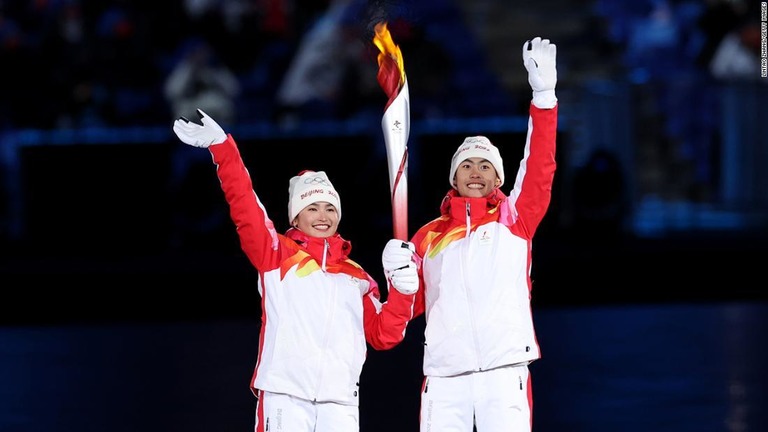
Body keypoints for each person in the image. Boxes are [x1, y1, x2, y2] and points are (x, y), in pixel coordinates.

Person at [172, 109, 420, 432]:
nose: (322, 215)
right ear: (295, 218)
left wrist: (403, 292)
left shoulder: (357, 277)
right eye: (312, 207)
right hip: (285, 398)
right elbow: (245, 205)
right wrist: (224, 149)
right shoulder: (276, 255)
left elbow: (383, 335)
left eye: (330, 207)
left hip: (340, 404)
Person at [381, 36, 559, 431]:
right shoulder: (427, 237)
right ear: (454, 177)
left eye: (484, 166)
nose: (475, 172)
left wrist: (544, 96)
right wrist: (399, 281)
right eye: (467, 166)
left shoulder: (515, 218)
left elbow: (540, 165)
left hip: (503, 372)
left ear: (498, 178)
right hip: (446, 378)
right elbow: (403, 314)